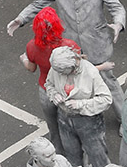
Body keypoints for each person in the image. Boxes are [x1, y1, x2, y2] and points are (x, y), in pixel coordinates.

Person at [8, 0, 127, 117]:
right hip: (69, 45)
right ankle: (79, 115)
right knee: (70, 79)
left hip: (95, 42)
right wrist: (21, 19)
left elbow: (116, 7)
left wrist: (118, 24)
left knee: (107, 79)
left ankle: (125, 120)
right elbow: (40, 2)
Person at [18, 8, 81, 154]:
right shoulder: (69, 46)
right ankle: (74, 157)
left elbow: (31, 68)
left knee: (53, 128)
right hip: (67, 91)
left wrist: (24, 59)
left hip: (46, 91)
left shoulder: (32, 47)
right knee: (69, 128)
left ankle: (57, 155)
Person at [44, 46, 113, 167]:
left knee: (98, 158)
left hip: (88, 122)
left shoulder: (90, 72)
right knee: (72, 157)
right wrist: (54, 94)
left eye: (63, 72)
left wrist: (80, 104)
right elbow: (49, 84)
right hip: (64, 118)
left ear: (73, 66)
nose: (59, 74)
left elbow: (106, 99)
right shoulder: (57, 68)